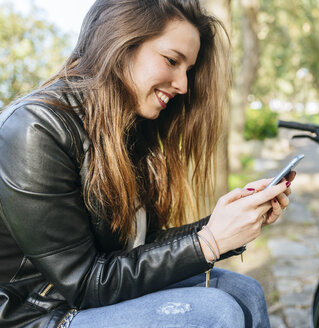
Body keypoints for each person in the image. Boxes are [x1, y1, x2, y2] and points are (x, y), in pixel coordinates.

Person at [0, 0, 295, 327]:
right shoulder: (35, 129)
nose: (183, 85)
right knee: (216, 311)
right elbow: (83, 283)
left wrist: (225, 226)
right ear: (120, 42)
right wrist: (207, 243)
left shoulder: (126, 129)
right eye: (172, 60)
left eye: (188, 70)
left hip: (88, 298)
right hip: (40, 316)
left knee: (244, 290)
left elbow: (138, 248)